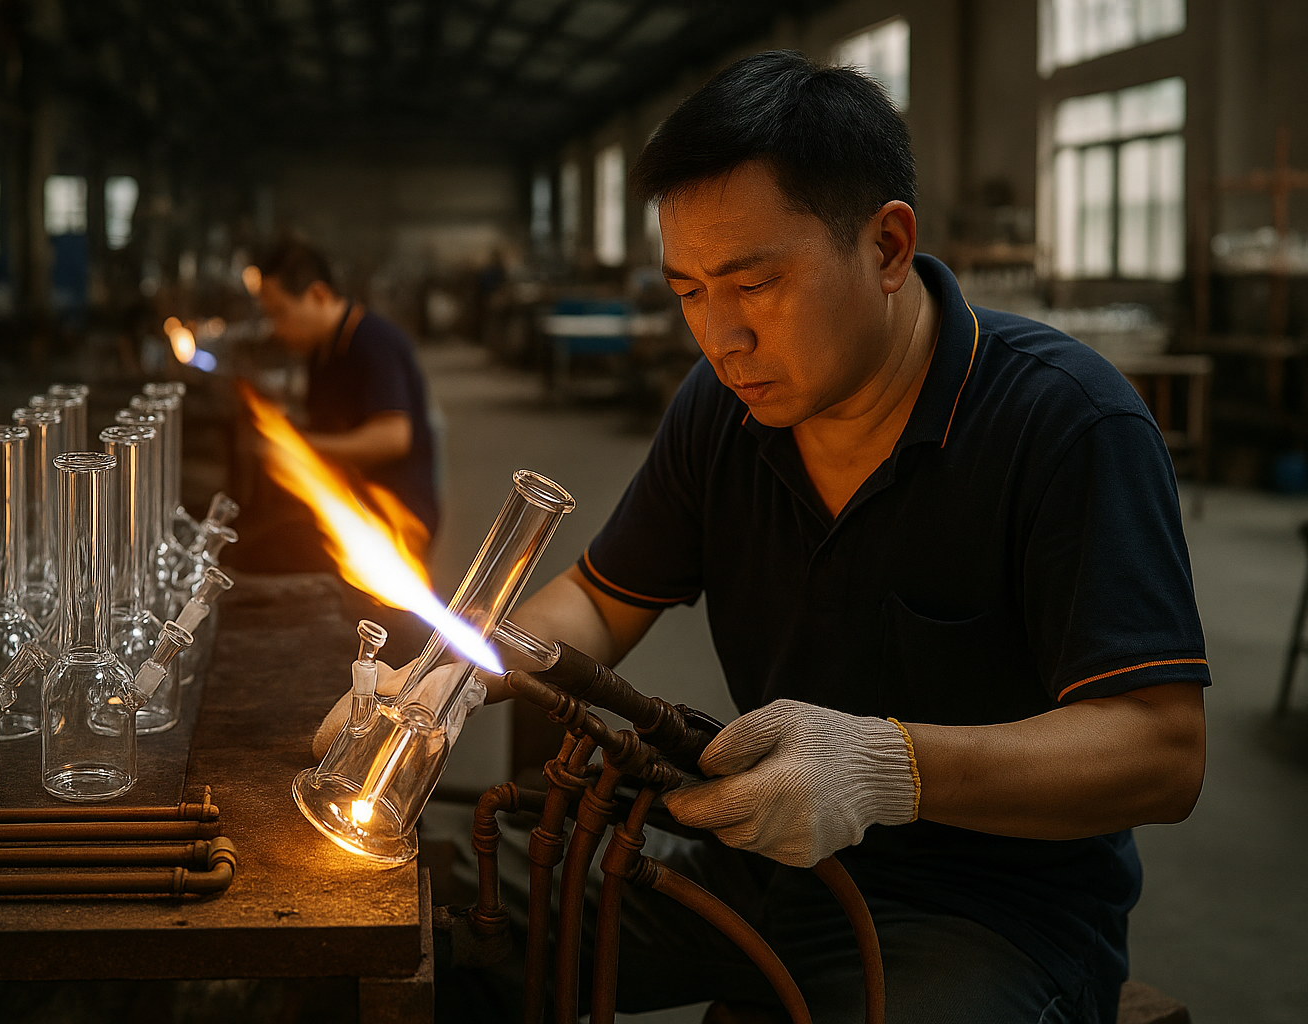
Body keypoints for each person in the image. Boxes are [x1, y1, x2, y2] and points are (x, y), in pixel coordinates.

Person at [318, 51, 1208, 1023]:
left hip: (990, 908)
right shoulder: (723, 412)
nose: (720, 335)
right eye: (691, 289)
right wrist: (448, 678)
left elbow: (1160, 750)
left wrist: (888, 766)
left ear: (888, 247)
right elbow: (601, 603)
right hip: (760, 864)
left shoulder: (1066, 425)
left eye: (755, 282)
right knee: (407, 936)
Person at [251, 237, 440, 542]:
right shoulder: (321, 350)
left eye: (279, 313)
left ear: (318, 295)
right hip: (349, 499)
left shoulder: (374, 343)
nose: (275, 328)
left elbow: (393, 438)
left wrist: (299, 446)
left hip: (394, 515)